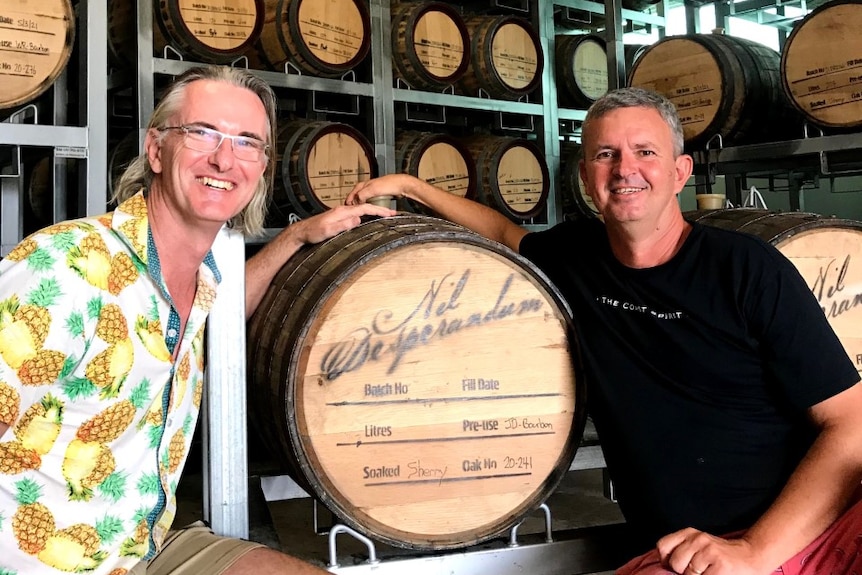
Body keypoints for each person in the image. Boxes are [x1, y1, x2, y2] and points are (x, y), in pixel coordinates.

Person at [345, 87, 862, 575]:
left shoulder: (746, 269)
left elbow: (853, 426)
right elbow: (503, 231)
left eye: (645, 152)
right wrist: (411, 188)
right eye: (605, 155)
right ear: (586, 176)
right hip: (689, 550)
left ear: (681, 172)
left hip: (809, 527)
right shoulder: (575, 258)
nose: (625, 170)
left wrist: (754, 551)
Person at [0, 65, 394, 575]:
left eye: (247, 142)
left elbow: (216, 317)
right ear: (157, 149)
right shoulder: (65, 266)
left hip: (146, 549)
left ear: (262, 169)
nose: (224, 158)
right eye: (202, 133)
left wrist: (294, 240)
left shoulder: (203, 278)